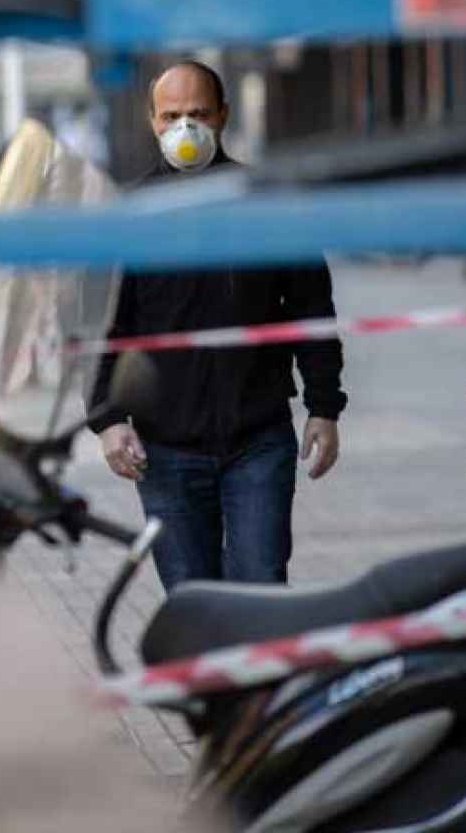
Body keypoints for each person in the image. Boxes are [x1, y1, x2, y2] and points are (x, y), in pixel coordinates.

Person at [87, 60, 346, 590]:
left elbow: (310, 307)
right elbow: (104, 325)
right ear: (153, 121)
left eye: (199, 114)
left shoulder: (267, 206)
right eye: (173, 115)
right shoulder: (131, 217)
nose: (187, 129)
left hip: (258, 440)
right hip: (164, 450)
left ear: (223, 116)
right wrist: (108, 418)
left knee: (261, 591)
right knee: (193, 606)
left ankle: (264, 678)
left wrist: (324, 405)